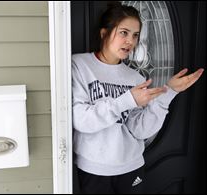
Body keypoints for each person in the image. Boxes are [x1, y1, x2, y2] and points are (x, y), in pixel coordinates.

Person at [72, 2, 204, 194]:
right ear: (104, 33)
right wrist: (127, 100)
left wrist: (169, 92)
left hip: (131, 168)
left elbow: (139, 130)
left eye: (135, 35)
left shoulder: (135, 78)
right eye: (124, 33)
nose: (130, 42)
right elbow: (81, 120)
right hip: (93, 170)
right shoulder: (79, 66)